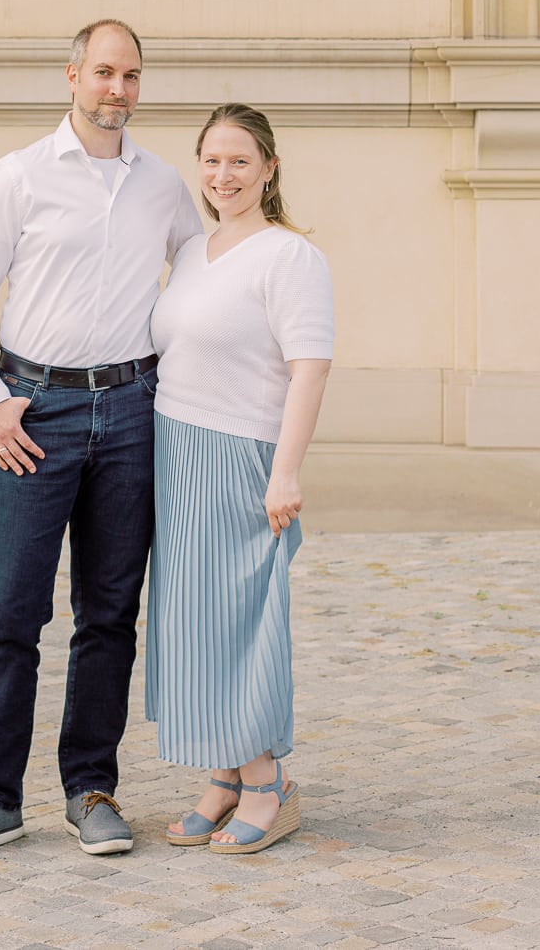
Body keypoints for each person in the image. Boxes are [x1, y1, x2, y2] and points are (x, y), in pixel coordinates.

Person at [0, 19, 203, 865]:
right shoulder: (19, 176)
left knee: (109, 614)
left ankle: (92, 789)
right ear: (73, 75)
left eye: (132, 75)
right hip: (32, 413)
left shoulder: (162, 185)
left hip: (129, 412)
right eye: (104, 72)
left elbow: (197, 282)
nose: (117, 89)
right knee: (8, 608)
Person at [145, 101, 334, 854]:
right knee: (191, 625)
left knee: (239, 624)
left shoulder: (292, 256)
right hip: (175, 448)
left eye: (240, 161)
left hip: (243, 456)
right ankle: (223, 775)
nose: (223, 175)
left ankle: (267, 781)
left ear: (269, 168)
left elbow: (310, 369)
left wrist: (285, 471)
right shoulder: (195, 249)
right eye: (212, 160)